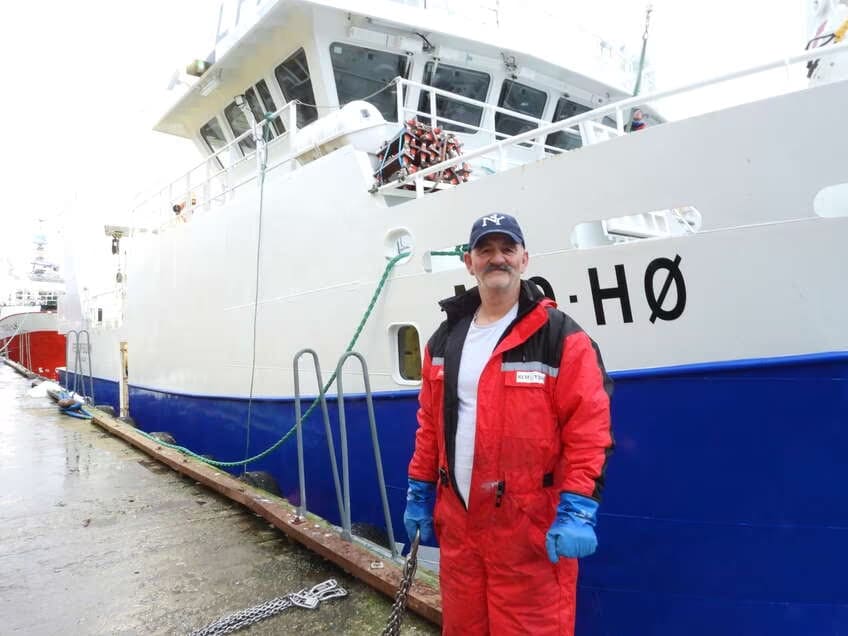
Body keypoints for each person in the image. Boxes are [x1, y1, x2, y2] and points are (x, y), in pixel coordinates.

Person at [404, 213, 614, 635]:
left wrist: (578, 508)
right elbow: (429, 425)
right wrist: (419, 490)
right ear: (469, 263)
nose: (496, 258)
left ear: (524, 259)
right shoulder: (444, 340)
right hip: (461, 530)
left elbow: (588, 429)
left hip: (529, 532)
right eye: (485, 250)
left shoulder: (560, 338)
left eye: (506, 249)